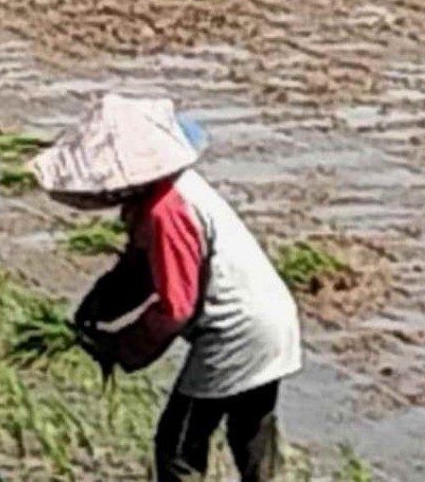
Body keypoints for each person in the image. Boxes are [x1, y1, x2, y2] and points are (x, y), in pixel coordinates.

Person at [30, 94, 302, 482]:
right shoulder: (175, 189)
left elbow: (175, 308)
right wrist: (100, 304)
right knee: (251, 435)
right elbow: (143, 270)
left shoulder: (165, 212)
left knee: (178, 448)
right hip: (273, 321)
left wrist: (123, 347)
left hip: (235, 332)